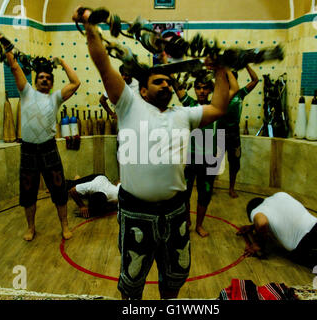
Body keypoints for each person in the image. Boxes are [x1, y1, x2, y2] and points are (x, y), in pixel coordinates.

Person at [72, 7, 229, 300]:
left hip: (176, 213)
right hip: (136, 215)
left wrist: (219, 68)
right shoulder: (129, 105)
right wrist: (91, 26)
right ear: (143, 90)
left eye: (169, 81)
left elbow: (220, 107)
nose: (167, 84)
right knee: (132, 282)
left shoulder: (184, 114)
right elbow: (103, 64)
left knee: (175, 277)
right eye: (159, 81)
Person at [0, 33, 81, 241]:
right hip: (29, 151)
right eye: (41, 77)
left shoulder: (55, 98)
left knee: (59, 189)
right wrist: (6, 44)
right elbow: (14, 66)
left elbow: (76, 82)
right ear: (35, 80)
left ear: (51, 83)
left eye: (47, 78)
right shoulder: (26, 92)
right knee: (28, 191)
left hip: (49, 149)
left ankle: (64, 226)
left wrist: (61, 62)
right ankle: (31, 228)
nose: (44, 79)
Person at [238, 192, 317, 269]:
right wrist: (252, 227)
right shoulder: (280, 195)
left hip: (306, 248)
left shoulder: (256, 211)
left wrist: (258, 244)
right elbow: (279, 215)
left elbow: (262, 222)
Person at [173, 73, 220, 238]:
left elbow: (230, 90)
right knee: (184, 193)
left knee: (205, 193)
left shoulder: (216, 107)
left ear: (210, 90)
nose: (201, 91)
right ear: (194, 89)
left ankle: (199, 225)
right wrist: (171, 67)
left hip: (208, 159)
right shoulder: (190, 105)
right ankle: (187, 221)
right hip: (190, 158)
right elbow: (178, 89)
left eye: (205, 88)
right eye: (198, 88)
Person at [217, 66, 259, 198]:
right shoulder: (219, 94)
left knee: (234, 163)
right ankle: (210, 186)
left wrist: (246, 64)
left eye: (232, 79)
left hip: (234, 134)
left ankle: (231, 188)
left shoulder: (241, 93)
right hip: (219, 132)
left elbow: (255, 80)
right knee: (213, 162)